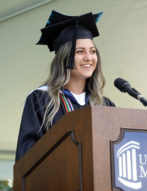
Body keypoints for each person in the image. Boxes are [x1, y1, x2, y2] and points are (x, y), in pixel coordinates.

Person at [15, 10, 115, 162]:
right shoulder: (41, 100)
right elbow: (26, 158)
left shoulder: (105, 105)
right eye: (80, 51)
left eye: (93, 51)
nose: (89, 57)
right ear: (64, 58)